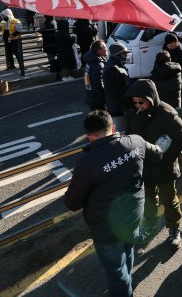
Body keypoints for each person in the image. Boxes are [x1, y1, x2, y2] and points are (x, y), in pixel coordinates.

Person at [64, 110, 163, 296]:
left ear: (90, 137)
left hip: (106, 228)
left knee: (116, 272)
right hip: (134, 215)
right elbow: (157, 154)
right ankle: (126, 282)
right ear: (113, 127)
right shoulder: (135, 142)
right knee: (128, 248)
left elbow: (72, 203)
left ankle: (123, 290)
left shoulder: (87, 162)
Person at [124, 79, 182, 252]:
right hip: (144, 167)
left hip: (164, 167)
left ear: (151, 98)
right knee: (148, 199)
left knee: (169, 199)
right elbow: (129, 137)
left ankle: (174, 230)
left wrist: (166, 160)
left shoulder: (167, 113)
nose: (138, 105)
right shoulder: (133, 113)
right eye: (135, 102)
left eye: (141, 102)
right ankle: (150, 226)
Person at [104, 42, 132, 131]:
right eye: (124, 54)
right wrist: (126, 106)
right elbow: (117, 91)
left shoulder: (117, 65)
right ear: (117, 55)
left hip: (121, 106)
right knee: (122, 131)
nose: (126, 56)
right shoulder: (113, 69)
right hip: (119, 108)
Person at [163, 33, 182, 112]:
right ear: (166, 44)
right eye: (169, 43)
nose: (172, 44)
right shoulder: (163, 54)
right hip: (168, 87)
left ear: (177, 42)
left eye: (174, 42)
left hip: (181, 85)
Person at [84, 40, 108, 111]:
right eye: (104, 47)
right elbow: (98, 85)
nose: (106, 49)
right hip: (98, 100)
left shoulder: (90, 61)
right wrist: (104, 98)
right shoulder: (97, 65)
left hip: (91, 95)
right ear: (99, 50)